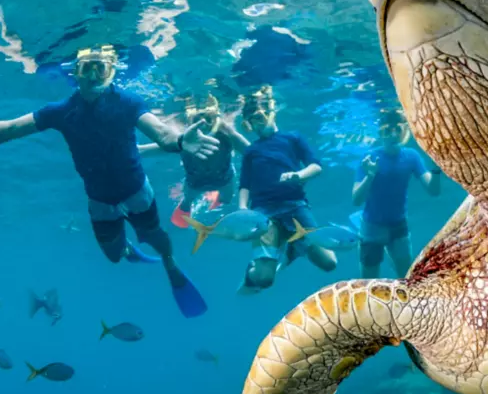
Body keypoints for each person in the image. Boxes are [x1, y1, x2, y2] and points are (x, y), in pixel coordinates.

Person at [0, 45, 217, 317]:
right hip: (100, 201)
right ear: (75, 73)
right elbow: (11, 128)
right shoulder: (61, 111)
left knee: (155, 237)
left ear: (111, 73)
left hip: (136, 191)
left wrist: (180, 141)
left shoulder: (128, 103)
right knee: (114, 256)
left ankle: (169, 264)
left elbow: (162, 133)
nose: (93, 76)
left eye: (100, 69)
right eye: (86, 69)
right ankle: (128, 248)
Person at [236, 86, 337, 292]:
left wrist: (298, 175)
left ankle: (292, 247)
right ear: (248, 124)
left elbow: (316, 166)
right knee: (263, 279)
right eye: (253, 118)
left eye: (263, 113)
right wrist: (242, 209)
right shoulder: (251, 152)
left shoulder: (293, 138)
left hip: (295, 207)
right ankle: (251, 272)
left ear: (272, 111)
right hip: (263, 212)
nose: (260, 119)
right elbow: (245, 184)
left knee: (329, 263)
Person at [352, 109, 441, 277]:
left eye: (397, 130)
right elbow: (356, 199)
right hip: (371, 228)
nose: (393, 135)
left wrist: (436, 169)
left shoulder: (411, 156)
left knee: (407, 278)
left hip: (399, 226)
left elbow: (433, 191)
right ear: (380, 133)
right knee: (368, 283)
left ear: (403, 131)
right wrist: (370, 176)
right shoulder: (369, 158)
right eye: (387, 130)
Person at [139, 94, 249, 227]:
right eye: (198, 119)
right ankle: (187, 208)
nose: (203, 123)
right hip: (196, 183)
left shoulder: (227, 135)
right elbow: (147, 150)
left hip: (224, 179)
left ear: (216, 118)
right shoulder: (184, 140)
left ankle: (213, 199)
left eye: (208, 118)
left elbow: (252, 153)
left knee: (226, 199)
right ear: (189, 121)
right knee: (187, 201)